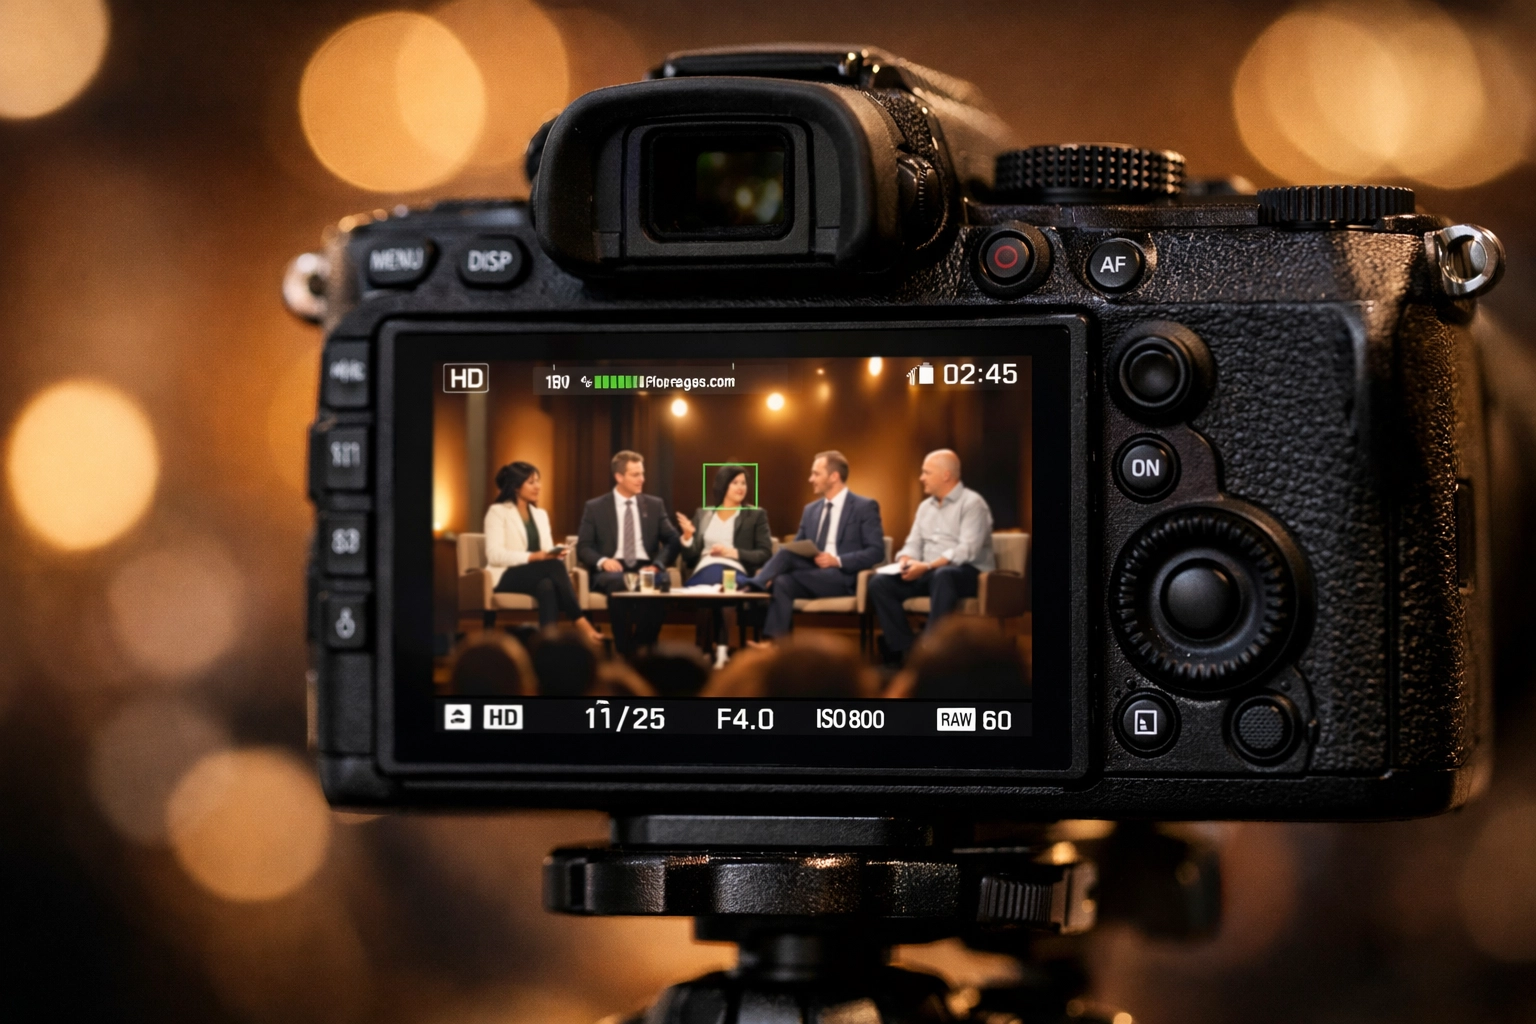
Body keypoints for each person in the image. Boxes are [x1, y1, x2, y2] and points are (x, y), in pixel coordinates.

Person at [868, 448, 996, 663]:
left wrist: (927, 567)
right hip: (929, 573)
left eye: (926, 472)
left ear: (946, 475)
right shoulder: (924, 507)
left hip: (967, 574)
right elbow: (913, 543)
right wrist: (905, 560)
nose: (921, 478)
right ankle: (907, 650)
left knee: (944, 575)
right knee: (879, 583)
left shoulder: (973, 503)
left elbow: (967, 549)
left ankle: (933, 652)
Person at [741, 450, 885, 639]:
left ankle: (755, 586)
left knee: (780, 574)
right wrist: (777, 571)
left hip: (843, 577)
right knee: (783, 572)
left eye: (816, 474)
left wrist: (837, 561)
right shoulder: (810, 510)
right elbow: (796, 548)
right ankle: (776, 647)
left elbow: (876, 552)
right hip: (812, 572)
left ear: (834, 477)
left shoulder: (864, 507)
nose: (811, 479)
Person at [484, 461, 604, 645]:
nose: (538, 486)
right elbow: (494, 555)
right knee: (552, 568)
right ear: (516, 486)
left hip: (537, 573)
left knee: (547, 585)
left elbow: (546, 552)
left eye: (538, 481)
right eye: (531, 482)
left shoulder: (540, 515)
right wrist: (533, 557)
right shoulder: (498, 511)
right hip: (506, 575)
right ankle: (580, 620)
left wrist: (554, 553)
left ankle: (547, 645)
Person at [576, 450, 683, 654]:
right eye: (635, 474)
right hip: (612, 569)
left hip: (646, 566)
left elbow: (673, 540)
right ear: (619, 477)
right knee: (621, 581)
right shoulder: (595, 507)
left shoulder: (654, 504)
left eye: (642, 473)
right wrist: (602, 560)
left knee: (662, 582)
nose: (642, 479)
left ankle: (639, 650)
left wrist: (658, 565)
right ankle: (626, 650)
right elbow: (584, 546)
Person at [676, 464, 773, 585]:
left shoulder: (755, 515)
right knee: (708, 580)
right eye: (735, 482)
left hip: (736, 568)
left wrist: (730, 552)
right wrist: (688, 537)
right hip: (706, 567)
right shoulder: (702, 514)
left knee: (724, 582)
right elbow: (689, 559)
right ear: (723, 484)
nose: (740, 487)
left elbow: (765, 553)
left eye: (743, 483)